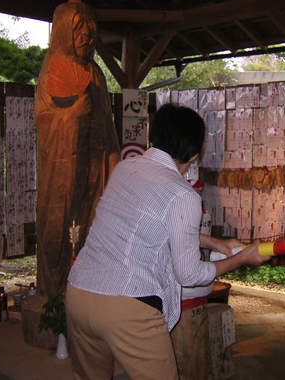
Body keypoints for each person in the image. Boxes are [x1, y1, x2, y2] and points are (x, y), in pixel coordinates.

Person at [66, 103, 269, 380]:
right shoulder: (183, 195)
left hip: (79, 293)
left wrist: (214, 243)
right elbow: (189, 274)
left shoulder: (125, 169)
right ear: (194, 155)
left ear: (155, 136)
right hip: (126, 306)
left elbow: (147, 229)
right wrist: (242, 258)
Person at [35, 0, 120, 296]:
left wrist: (114, 162)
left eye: (90, 31)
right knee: (59, 228)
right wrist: (71, 116)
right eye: (79, 31)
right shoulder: (53, 67)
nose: (86, 37)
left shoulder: (96, 73)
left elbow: (108, 125)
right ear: (62, 33)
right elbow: (45, 122)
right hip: (64, 167)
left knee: (92, 225)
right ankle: (53, 294)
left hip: (94, 165)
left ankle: (87, 287)